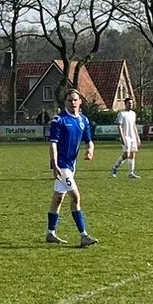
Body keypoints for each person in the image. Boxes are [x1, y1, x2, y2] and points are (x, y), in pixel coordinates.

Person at [46, 91, 97, 246]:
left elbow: (89, 141)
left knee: (58, 198)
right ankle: (83, 235)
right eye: (69, 100)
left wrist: (90, 150)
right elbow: (53, 144)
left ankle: (50, 233)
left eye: (75, 100)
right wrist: (54, 164)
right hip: (61, 165)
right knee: (75, 197)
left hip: (71, 165)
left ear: (80, 101)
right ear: (65, 102)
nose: (72, 103)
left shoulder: (83, 120)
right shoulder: (59, 120)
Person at [110, 105, 140, 178]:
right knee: (126, 154)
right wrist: (122, 137)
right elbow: (119, 126)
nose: (130, 105)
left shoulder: (133, 113)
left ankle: (131, 173)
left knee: (132, 154)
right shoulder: (121, 113)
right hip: (126, 136)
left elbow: (134, 126)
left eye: (131, 103)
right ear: (126, 104)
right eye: (129, 103)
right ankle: (115, 168)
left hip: (132, 136)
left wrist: (137, 137)